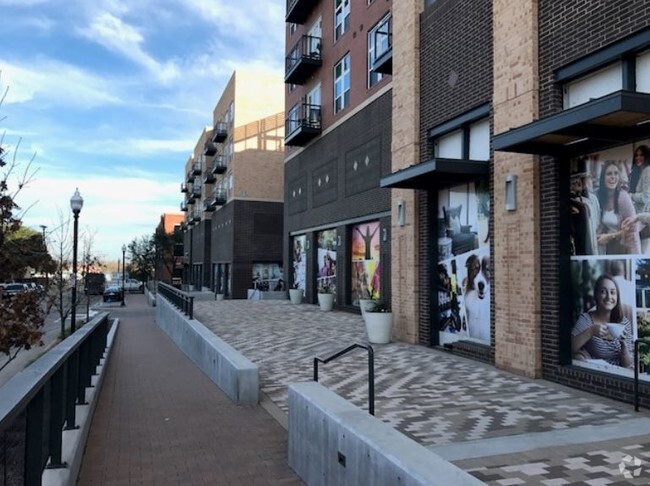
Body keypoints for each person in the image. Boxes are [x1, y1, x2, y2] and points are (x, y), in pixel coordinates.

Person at [571, 274, 633, 368]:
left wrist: (623, 345)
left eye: (612, 292)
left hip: (619, 374)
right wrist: (591, 331)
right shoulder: (587, 319)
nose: (609, 297)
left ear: (617, 296)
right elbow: (569, 348)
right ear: (596, 295)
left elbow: (628, 364)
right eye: (603, 292)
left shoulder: (624, 323)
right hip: (596, 372)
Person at [596, 160, 640, 254]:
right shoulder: (601, 197)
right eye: (609, 174)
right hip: (610, 248)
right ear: (602, 178)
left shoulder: (623, 197)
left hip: (627, 250)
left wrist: (609, 236)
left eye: (616, 173)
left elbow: (633, 229)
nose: (613, 177)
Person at [628, 145, 650, 252]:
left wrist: (631, 196)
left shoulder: (647, 171)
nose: (638, 158)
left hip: (644, 219)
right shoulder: (640, 172)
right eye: (636, 155)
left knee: (641, 252)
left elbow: (646, 197)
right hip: (641, 218)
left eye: (641, 155)